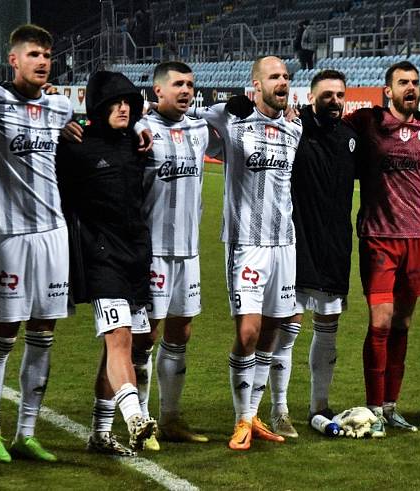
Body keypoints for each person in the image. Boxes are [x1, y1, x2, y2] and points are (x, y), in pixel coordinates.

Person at [0, 24, 72, 463]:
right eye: (33, 55)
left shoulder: (60, 108)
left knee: (44, 334)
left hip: (54, 235)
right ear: (14, 60)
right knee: (4, 334)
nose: (43, 61)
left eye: (47, 54)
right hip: (10, 237)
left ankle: (26, 433)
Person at [197, 56, 302, 450]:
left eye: (286, 78)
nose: (282, 83)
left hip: (284, 244)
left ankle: (254, 415)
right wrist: (225, 106)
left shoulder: (294, 125)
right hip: (247, 245)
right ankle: (242, 418)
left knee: (274, 331)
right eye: (274, 77)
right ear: (255, 85)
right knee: (248, 332)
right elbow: (193, 118)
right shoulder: (233, 120)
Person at [56, 71, 156, 456]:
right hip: (100, 256)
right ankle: (134, 417)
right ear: (97, 108)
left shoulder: (135, 143)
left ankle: (100, 434)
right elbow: (38, 176)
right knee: (119, 341)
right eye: (115, 102)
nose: (124, 107)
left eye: (129, 102)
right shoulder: (75, 147)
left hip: (135, 256)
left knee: (125, 346)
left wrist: (140, 127)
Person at [344, 61, 420, 438]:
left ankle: (391, 407)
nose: (411, 88)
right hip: (377, 237)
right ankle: (373, 407)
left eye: (415, 82)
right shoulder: (368, 122)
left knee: (402, 324)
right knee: (381, 322)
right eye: (403, 82)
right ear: (387, 90)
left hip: (415, 238)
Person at [261, 69, 358, 437]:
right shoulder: (294, 129)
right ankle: (279, 409)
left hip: (335, 248)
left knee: (329, 330)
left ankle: (320, 405)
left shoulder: (351, 138)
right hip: (297, 245)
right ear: (312, 97)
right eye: (327, 95)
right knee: (288, 331)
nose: (334, 101)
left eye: (340, 95)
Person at [131, 61, 212, 449]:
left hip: (190, 251)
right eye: (178, 84)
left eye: (190, 85)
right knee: (146, 336)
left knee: (181, 331)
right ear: (158, 90)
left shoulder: (198, 129)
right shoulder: (140, 130)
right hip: (153, 251)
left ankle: (170, 418)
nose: (186, 90)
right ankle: (141, 423)